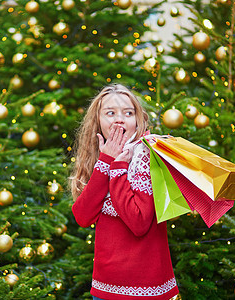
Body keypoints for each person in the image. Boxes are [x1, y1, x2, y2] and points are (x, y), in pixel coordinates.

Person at [70, 84, 179, 300]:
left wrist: (118, 167)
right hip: (105, 289)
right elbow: (82, 217)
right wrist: (106, 161)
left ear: (138, 120)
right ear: (98, 122)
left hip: (149, 288)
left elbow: (138, 222)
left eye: (128, 113)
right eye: (110, 113)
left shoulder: (148, 157)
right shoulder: (98, 158)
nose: (119, 119)